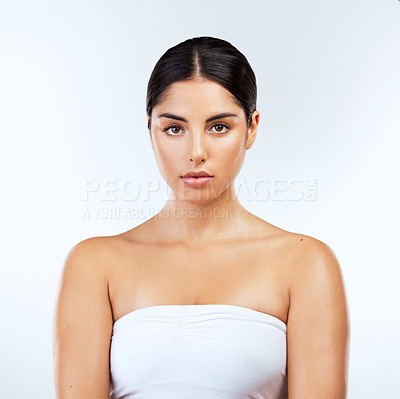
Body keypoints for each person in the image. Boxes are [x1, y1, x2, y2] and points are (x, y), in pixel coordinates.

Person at [53, 36, 350, 399]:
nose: (196, 152)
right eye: (174, 128)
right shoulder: (94, 264)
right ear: (151, 129)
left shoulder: (306, 264)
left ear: (252, 128)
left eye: (219, 127)